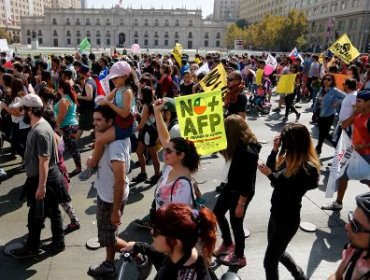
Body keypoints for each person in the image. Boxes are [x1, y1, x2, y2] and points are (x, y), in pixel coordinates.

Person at [258, 123, 320, 280]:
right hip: (276, 215)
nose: (282, 143)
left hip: (287, 221)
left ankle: (299, 276)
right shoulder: (291, 159)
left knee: (269, 261)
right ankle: (300, 276)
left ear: (293, 143)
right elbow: (275, 177)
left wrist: (271, 175)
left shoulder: (308, 168)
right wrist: (274, 150)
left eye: (284, 140)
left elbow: (289, 192)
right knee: (278, 253)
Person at [10, 93, 68, 258]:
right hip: (48, 177)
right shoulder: (40, 126)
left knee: (35, 218)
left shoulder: (40, 131)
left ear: (29, 110)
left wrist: (41, 187)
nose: (20, 113)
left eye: (22, 109)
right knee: (53, 211)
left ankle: (32, 248)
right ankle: (58, 242)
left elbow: (44, 160)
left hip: (44, 179)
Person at [87, 106, 131, 278]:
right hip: (106, 193)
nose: (94, 123)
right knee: (109, 234)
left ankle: (137, 254)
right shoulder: (111, 137)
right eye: (94, 119)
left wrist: (116, 210)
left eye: (99, 120)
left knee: (108, 237)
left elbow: (119, 181)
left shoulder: (114, 146)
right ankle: (110, 263)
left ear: (111, 122)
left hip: (111, 199)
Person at [213, 115, 261, 267]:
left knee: (236, 223)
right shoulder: (238, 146)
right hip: (231, 186)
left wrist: (241, 203)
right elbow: (230, 158)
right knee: (218, 212)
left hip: (241, 192)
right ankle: (228, 243)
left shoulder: (248, 152)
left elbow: (247, 183)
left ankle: (240, 256)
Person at [123, 203, 217, 280]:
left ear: (175, 242)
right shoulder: (183, 254)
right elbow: (165, 261)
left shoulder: (187, 276)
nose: (151, 232)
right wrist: (140, 246)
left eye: (157, 231)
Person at [79, 61, 137, 181]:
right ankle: (95, 159)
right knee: (98, 132)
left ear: (125, 76)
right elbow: (105, 99)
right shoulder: (118, 89)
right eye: (113, 78)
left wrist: (109, 104)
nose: (113, 80)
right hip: (118, 122)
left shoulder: (127, 91)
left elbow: (125, 113)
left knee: (99, 141)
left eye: (116, 78)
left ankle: (91, 166)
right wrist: (100, 100)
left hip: (124, 126)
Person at [322, 90, 370, 211]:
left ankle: (338, 202)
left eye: (359, 101)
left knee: (362, 179)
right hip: (355, 154)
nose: (356, 103)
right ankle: (338, 203)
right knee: (343, 176)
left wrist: (363, 146)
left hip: (366, 157)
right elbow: (343, 126)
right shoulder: (358, 115)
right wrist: (354, 115)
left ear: (368, 102)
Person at [328, 192, 370, 280]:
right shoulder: (355, 250)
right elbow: (337, 276)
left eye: (355, 226)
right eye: (350, 218)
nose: (347, 226)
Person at [132, 86, 161, 184]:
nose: (139, 94)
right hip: (147, 131)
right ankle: (143, 173)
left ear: (144, 95)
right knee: (139, 151)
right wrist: (139, 115)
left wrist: (130, 130)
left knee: (153, 155)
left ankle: (157, 175)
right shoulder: (151, 103)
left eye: (141, 93)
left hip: (147, 132)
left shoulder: (146, 106)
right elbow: (147, 118)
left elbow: (141, 124)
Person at [54, 80, 82, 177]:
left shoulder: (64, 100)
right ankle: (78, 168)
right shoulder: (70, 97)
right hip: (71, 125)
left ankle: (78, 168)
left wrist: (56, 127)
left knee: (70, 149)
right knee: (72, 148)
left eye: (58, 87)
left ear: (61, 88)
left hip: (67, 127)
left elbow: (61, 116)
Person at [314, 73, 345, 155]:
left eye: (329, 79)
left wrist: (338, 102)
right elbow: (317, 100)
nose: (326, 81)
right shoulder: (321, 89)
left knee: (324, 133)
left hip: (329, 115)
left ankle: (334, 146)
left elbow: (346, 96)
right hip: (319, 113)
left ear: (332, 81)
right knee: (322, 132)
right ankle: (319, 148)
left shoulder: (334, 90)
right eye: (325, 79)